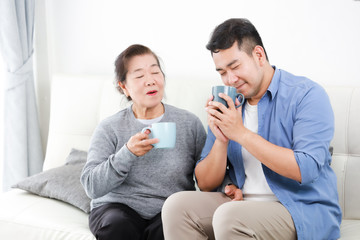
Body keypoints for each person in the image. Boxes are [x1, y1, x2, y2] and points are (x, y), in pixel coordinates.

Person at [162, 18, 342, 240]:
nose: (230, 79)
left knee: (229, 217)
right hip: (242, 206)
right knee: (177, 206)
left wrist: (240, 133)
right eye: (222, 72)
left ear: (259, 55)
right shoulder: (230, 102)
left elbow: (305, 169)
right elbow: (206, 183)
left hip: (299, 209)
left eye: (235, 67)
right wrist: (221, 140)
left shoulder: (307, 95)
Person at [80, 44, 207, 240]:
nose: (150, 81)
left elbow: (208, 171)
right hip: (116, 208)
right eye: (139, 76)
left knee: (171, 228)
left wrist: (228, 185)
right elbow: (91, 186)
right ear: (124, 87)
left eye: (155, 72)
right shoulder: (110, 127)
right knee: (119, 226)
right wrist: (127, 153)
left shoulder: (189, 124)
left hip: (168, 209)